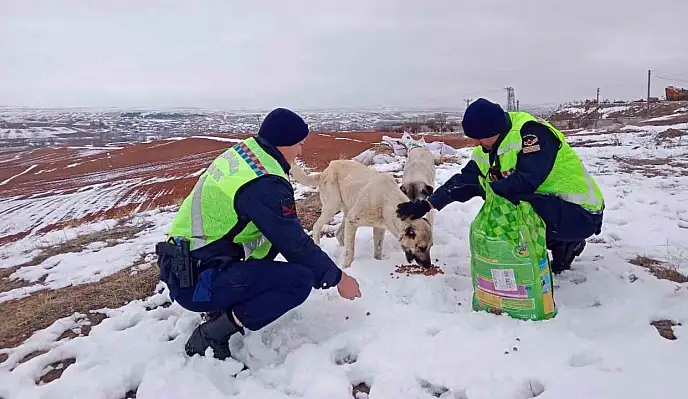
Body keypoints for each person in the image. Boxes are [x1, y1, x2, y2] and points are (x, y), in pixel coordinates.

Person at [156, 107, 361, 361]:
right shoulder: (265, 183)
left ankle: (222, 305)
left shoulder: (248, 154)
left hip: (186, 263)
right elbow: (294, 244)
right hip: (197, 281)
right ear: (283, 143)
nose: (300, 151)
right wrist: (338, 278)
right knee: (299, 280)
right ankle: (213, 331)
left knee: (268, 242)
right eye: (298, 144)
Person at [396, 98, 604, 274]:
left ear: (493, 129)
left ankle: (567, 242)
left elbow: (527, 180)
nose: (476, 143)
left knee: (511, 205)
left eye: (479, 137)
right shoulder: (487, 148)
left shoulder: (531, 134)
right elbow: (465, 181)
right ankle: (557, 246)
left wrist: (486, 190)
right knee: (505, 206)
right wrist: (427, 204)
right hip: (550, 206)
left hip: (581, 213)